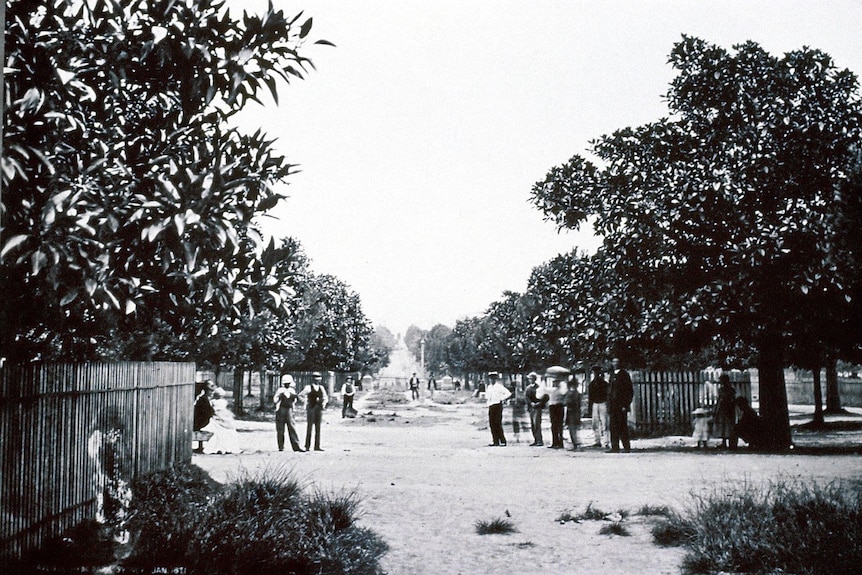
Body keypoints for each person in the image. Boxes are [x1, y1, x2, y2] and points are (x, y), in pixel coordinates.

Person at [200, 387, 242, 454]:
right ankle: (228, 447)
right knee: (227, 431)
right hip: (221, 417)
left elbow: (213, 411)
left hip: (218, 417)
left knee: (222, 431)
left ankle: (221, 447)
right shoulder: (224, 402)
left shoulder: (213, 402)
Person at [608, 357, 633, 453]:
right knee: (613, 426)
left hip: (621, 405)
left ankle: (626, 447)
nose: (615, 363)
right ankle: (615, 447)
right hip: (613, 405)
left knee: (622, 426)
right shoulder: (612, 374)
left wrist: (625, 405)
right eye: (613, 362)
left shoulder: (624, 375)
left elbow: (629, 391)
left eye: (617, 362)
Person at [273, 375, 304, 452]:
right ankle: (281, 446)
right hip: (281, 409)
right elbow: (275, 400)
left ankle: (296, 446)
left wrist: (293, 400)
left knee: (292, 427)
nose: (287, 384)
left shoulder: (292, 391)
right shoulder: (280, 390)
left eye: (288, 383)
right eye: (286, 383)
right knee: (280, 428)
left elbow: (294, 401)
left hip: (289, 409)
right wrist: (280, 397)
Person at [300, 372, 328, 451]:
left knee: (318, 427)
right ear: (312, 379)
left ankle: (317, 446)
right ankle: (307, 446)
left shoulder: (321, 388)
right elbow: (300, 395)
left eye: (318, 379)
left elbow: (325, 397)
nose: (317, 381)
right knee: (310, 427)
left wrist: (323, 404)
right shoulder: (308, 387)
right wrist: (305, 402)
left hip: (318, 408)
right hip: (311, 408)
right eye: (315, 379)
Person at [485, 371, 512, 446]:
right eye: (490, 378)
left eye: (493, 378)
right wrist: (488, 404)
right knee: (492, 424)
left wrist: (501, 399)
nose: (492, 380)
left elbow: (508, 393)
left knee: (497, 423)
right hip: (491, 406)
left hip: (497, 405)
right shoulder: (489, 387)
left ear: (496, 379)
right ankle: (495, 441)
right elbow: (488, 397)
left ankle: (502, 441)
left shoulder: (499, 387)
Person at [712, 374, 737, 449]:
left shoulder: (726, 390)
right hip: (727, 409)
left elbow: (721, 400)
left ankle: (728, 443)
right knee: (725, 425)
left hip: (727, 409)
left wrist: (717, 410)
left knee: (727, 425)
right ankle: (726, 443)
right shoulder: (729, 390)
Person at [587, 366, 609, 448]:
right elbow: (590, 397)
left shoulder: (604, 384)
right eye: (594, 373)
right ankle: (597, 441)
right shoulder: (592, 384)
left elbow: (607, 395)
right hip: (595, 404)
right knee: (595, 424)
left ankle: (606, 441)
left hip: (603, 403)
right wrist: (590, 408)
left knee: (605, 423)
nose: (596, 374)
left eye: (597, 373)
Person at [525, 372, 548, 446]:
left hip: (537, 407)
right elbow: (527, 397)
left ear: (535, 379)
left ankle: (539, 441)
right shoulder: (528, 388)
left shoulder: (539, 387)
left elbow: (545, 397)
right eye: (530, 379)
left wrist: (540, 403)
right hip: (531, 407)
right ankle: (535, 440)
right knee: (532, 424)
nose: (531, 380)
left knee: (537, 423)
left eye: (532, 379)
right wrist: (530, 403)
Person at [546, 374, 566, 449]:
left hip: (559, 407)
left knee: (559, 425)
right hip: (552, 407)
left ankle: (560, 442)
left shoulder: (562, 390)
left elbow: (565, 398)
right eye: (554, 382)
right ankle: (555, 442)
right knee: (554, 425)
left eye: (556, 382)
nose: (554, 383)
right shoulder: (551, 390)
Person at [564, 377, 582, 450]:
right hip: (575, 412)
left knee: (572, 429)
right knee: (574, 429)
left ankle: (576, 444)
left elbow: (568, 402)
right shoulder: (577, 393)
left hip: (572, 412)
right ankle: (576, 444)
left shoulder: (571, 393)